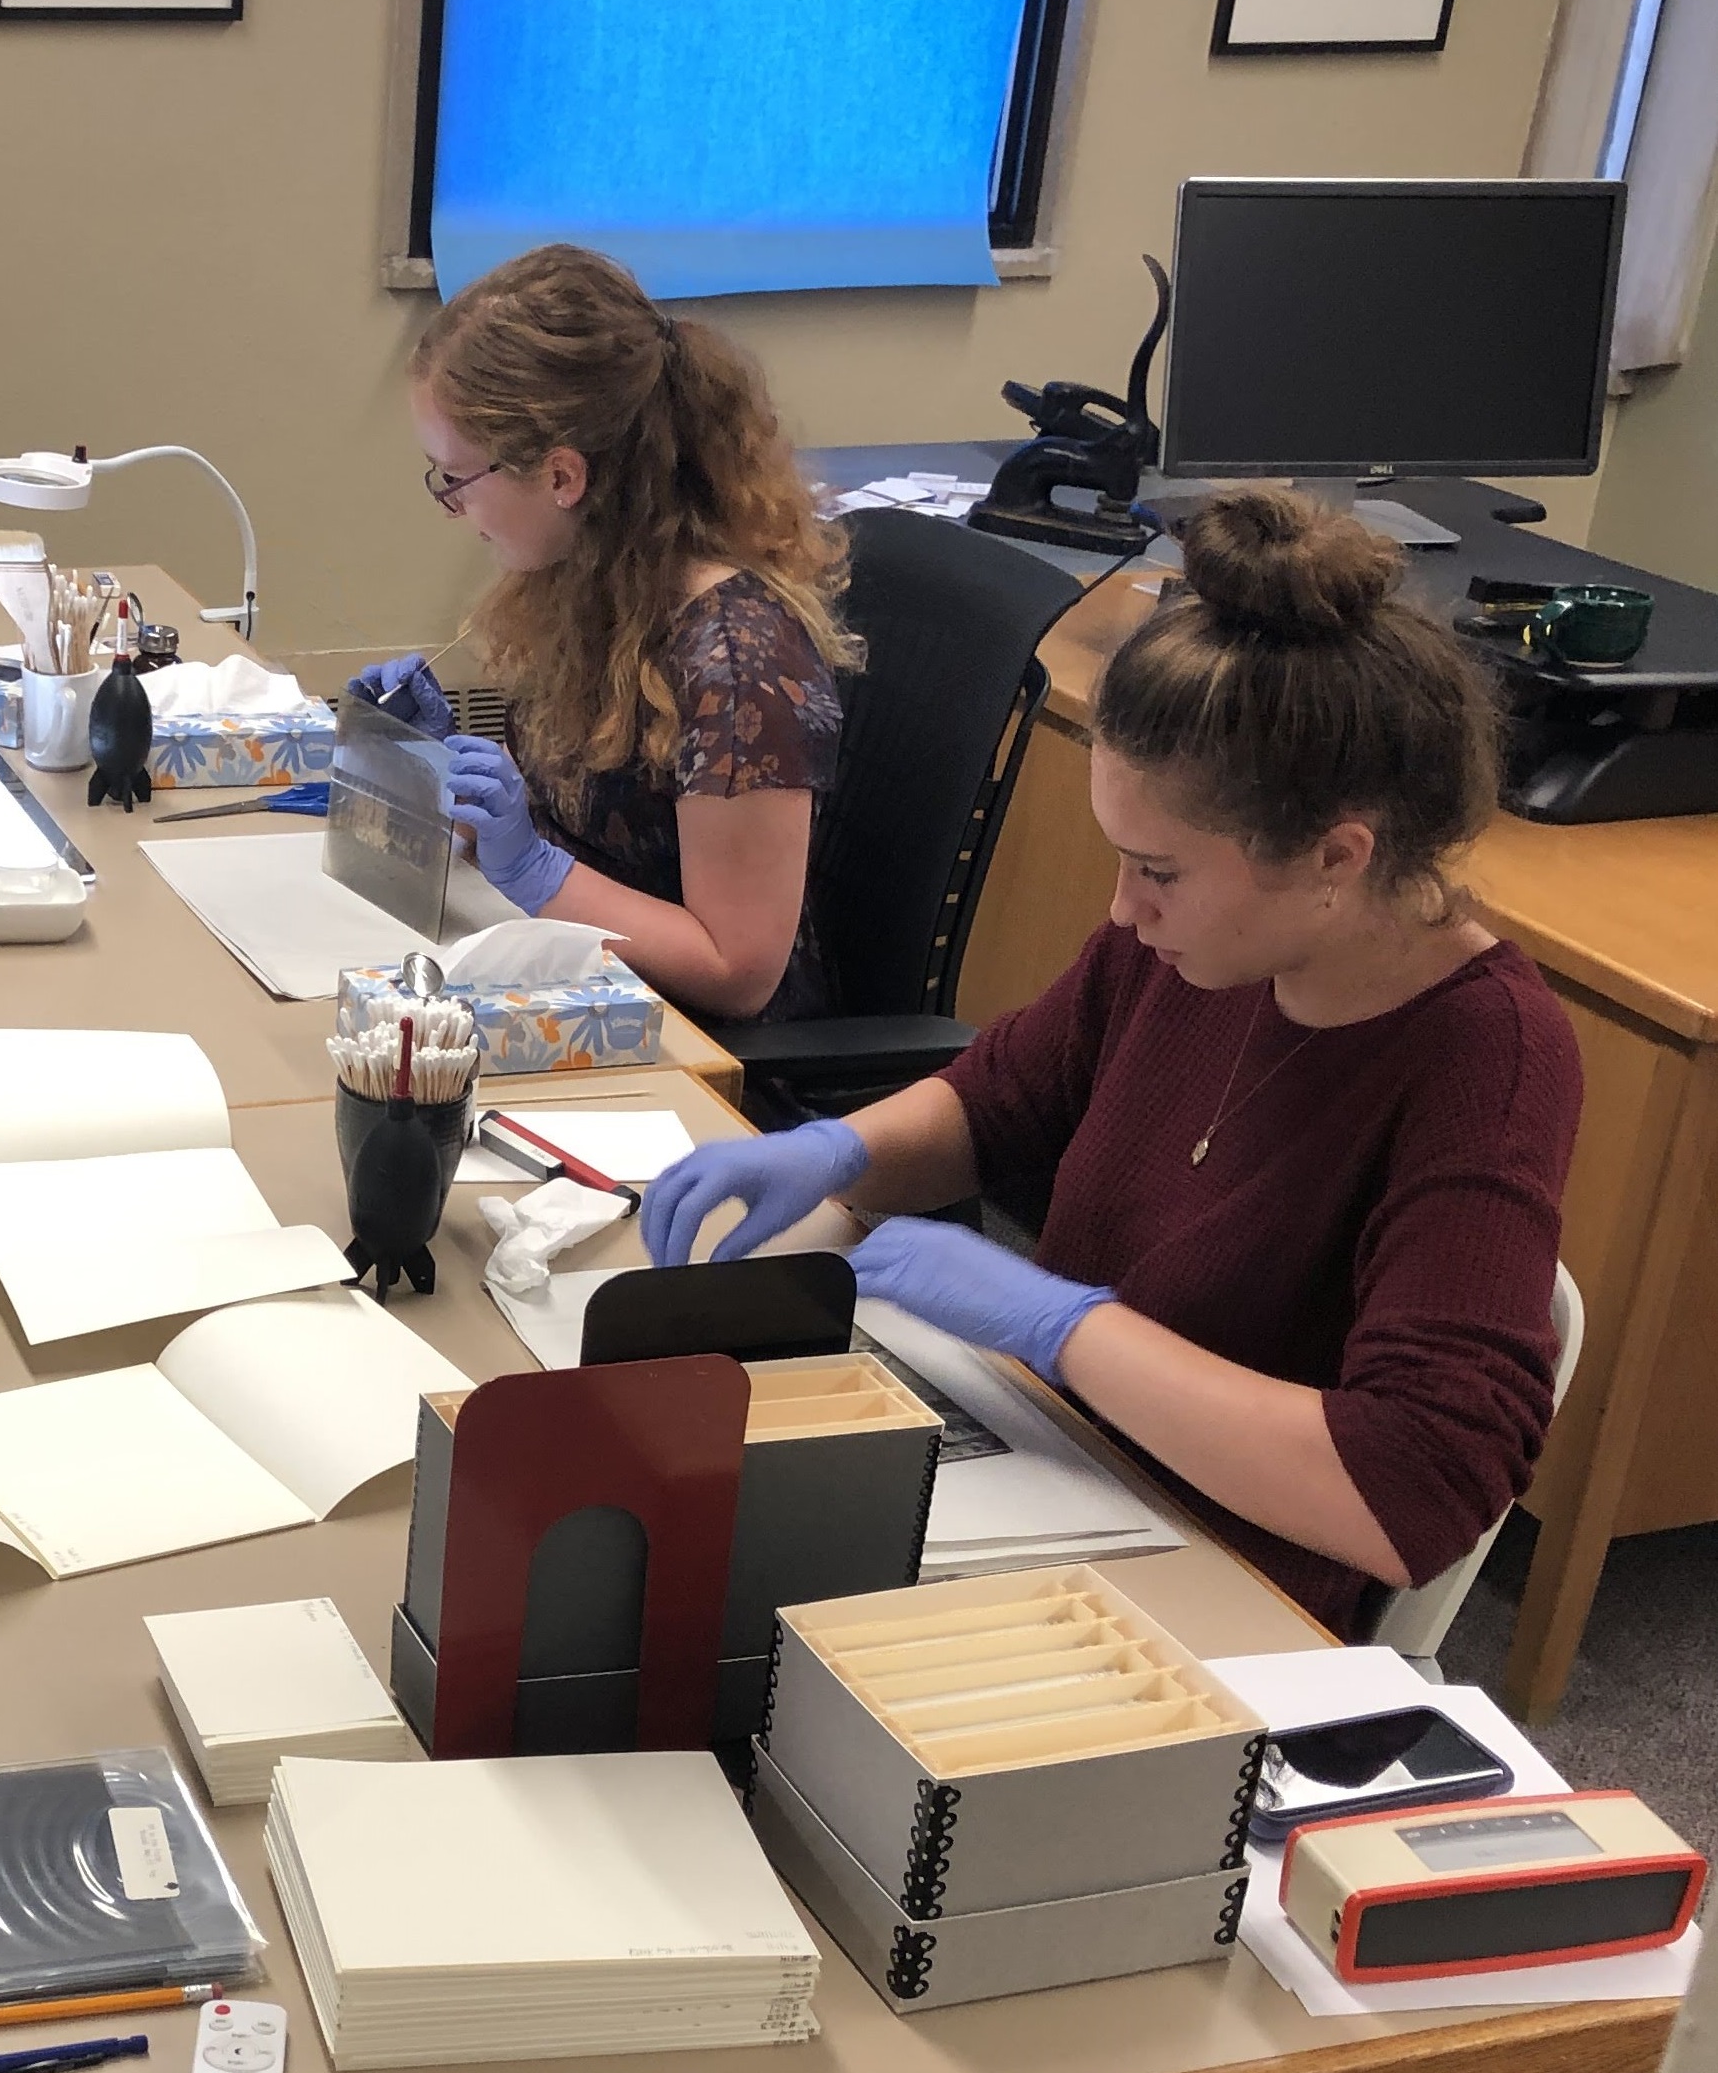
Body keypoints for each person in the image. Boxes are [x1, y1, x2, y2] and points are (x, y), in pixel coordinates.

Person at [642, 488, 1582, 1638]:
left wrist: (1061, 1324)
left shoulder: (1483, 1055)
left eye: (1159, 871)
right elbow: (1002, 1100)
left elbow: (1410, 1490)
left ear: (1337, 856)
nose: (1122, 907)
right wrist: (835, 1148)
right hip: (1055, 1470)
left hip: (1211, 1598)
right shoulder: (1191, 947)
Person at [349, 244, 852, 1021]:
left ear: (561, 476)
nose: (451, 506)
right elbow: (605, 809)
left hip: (707, 1060)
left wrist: (538, 869)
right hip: (585, 986)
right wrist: (436, 769)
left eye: (456, 477)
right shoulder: (591, 582)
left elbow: (738, 970)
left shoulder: (736, 661)